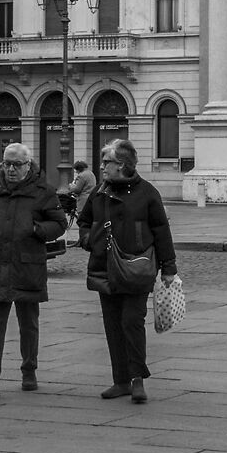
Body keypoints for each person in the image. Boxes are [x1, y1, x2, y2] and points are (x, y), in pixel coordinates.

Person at [78, 139, 177, 405]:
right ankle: (120, 380)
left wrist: (169, 268)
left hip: (137, 267)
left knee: (131, 323)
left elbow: (161, 231)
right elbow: (84, 221)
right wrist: (89, 240)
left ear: (121, 165)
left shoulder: (147, 192)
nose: (102, 167)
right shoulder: (100, 191)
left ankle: (137, 379)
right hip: (104, 267)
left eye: (106, 162)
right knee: (112, 325)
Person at [0, 144, 67, 398]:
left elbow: (59, 223)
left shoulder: (43, 191)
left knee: (28, 322)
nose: (9, 169)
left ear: (28, 165)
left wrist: (36, 230)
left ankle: (29, 370)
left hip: (27, 263)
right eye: (6, 163)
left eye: (16, 165)